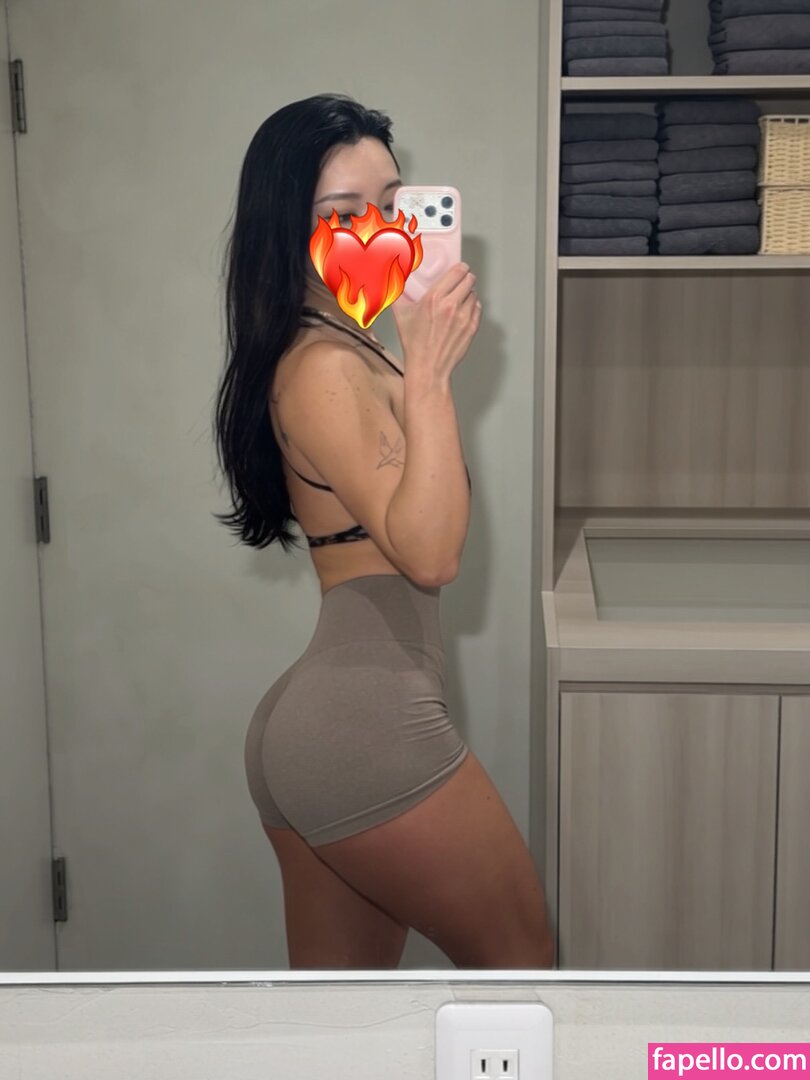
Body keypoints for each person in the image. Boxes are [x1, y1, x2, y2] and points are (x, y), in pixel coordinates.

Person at [213, 92, 554, 970]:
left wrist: (417, 363)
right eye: (341, 212)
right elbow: (431, 555)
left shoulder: (342, 344)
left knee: (344, 1023)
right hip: (362, 723)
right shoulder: (324, 365)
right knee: (524, 971)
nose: (377, 228)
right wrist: (430, 375)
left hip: (332, 715)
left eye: (392, 204)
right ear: (286, 225)